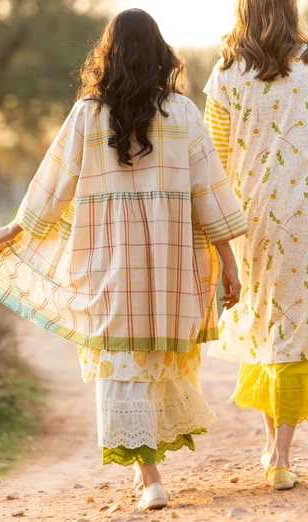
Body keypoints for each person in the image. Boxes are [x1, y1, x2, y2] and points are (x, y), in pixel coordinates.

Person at [0, 9, 246, 510]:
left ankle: (150, 479)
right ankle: (151, 473)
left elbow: (54, 184)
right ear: (160, 54)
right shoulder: (182, 113)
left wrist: (16, 227)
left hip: (108, 263)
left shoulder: (88, 113)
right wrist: (228, 261)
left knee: (122, 365)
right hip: (167, 268)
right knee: (150, 361)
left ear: (110, 54)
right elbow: (210, 193)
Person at [204, 0, 308, 491]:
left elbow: (214, 157)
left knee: (267, 328)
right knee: (294, 330)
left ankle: (275, 452)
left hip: (251, 219)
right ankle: (282, 454)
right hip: (304, 215)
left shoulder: (226, 73)